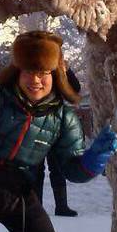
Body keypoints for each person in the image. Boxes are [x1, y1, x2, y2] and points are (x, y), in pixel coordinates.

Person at [0, 31, 117, 232]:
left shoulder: (62, 118)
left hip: (16, 189)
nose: (35, 80)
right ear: (17, 72)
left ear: (55, 74)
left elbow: (71, 168)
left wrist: (93, 160)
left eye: (43, 73)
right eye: (28, 71)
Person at [32, 67, 81, 217]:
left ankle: (61, 206)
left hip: (55, 123)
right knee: (36, 170)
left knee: (57, 168)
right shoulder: (34, 70)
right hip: (36, 123)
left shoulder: (58, 70)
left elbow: (75, 88)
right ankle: (36, 207)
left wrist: (65, 69)